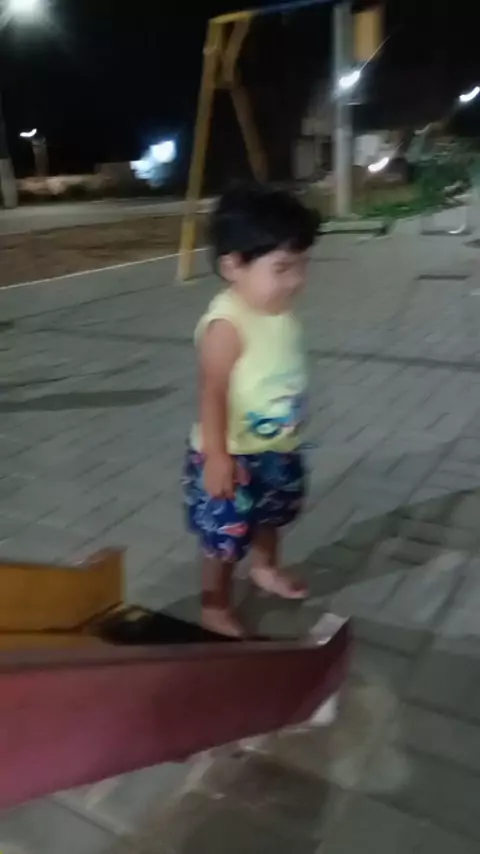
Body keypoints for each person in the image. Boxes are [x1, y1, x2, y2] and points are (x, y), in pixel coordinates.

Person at [183, 184, 320, 637]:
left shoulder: (280, 311)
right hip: (232, 453)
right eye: (282, 268)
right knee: (224, 537)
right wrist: (217, 457)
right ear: (233, 266)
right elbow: (212, 392)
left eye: (302, 264)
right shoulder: (227, 325)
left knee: (271, 516)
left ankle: (264, 569)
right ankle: (214, 604)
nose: (296, 280)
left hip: (277, 448)